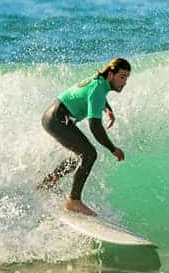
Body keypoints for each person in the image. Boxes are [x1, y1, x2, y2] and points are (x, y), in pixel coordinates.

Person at [38, 57, 130, 216]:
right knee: (89, 154)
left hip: (54, 116)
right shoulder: (98, 89)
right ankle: (74, 201)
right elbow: (95, 126)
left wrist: (107, 108)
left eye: (126, 78)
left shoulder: (100, 82)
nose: (124, 82)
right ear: (110, 74)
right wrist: (113, 149)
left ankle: (48, 182)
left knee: (80, 155)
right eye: (122, 77)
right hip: (56, 119)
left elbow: (96, 96)